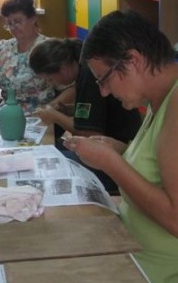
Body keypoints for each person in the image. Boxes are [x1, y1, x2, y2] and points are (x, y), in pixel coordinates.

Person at [62, 10, 178, 283]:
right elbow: (162, 168)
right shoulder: (160, 100)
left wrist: (112, 163)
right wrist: (122, 151)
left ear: (133, 61)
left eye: (104, 78)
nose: (103, 91)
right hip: (138, 265)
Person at [29, 37, 142, 193]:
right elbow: (97, 111)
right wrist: (68, 110)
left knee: (45, 162)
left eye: (50, 79)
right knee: (51, 148)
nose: (52, 84)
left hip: (120, 157)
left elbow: (88, 134)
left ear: (63, 67)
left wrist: (55, 116)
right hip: (118, 146)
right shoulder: (84, 71)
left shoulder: (89, 77)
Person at [0, 0, 56, 112]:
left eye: (18, 21)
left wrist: (51, 108)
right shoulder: (4, 48)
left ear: (33, 19)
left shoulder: (48, 48)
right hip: (7, 113)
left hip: (40, 115)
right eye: (9, 23)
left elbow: (70, 88)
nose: (13, 27)